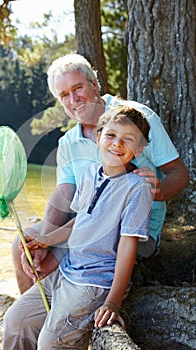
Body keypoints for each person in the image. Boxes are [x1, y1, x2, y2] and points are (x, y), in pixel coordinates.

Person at [12, 53, 189, 294]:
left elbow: (180, 174)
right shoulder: (68, 142)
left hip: (131, 231)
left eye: (78, 88)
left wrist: (158, 190)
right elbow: (64, 192)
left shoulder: (137, 118)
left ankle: (65, 318)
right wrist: (44, 237)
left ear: (94, 84)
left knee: (69, 251)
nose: (73, 99)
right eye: (64, 95)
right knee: (22, 245)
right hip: (86, 223)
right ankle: (33, 318)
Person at [3, 105, 153, 349]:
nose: (117, 144)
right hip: (67, 270)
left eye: (128, 140)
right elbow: (80, 221)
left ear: (138, 149)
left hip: (94, 284)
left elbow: (128, 245)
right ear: (98, 135)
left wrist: (113, 302)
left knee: (51, 343)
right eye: (111, 135)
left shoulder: (137, 188)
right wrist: (47, 240)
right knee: (16, 320)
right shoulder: (89, 173)